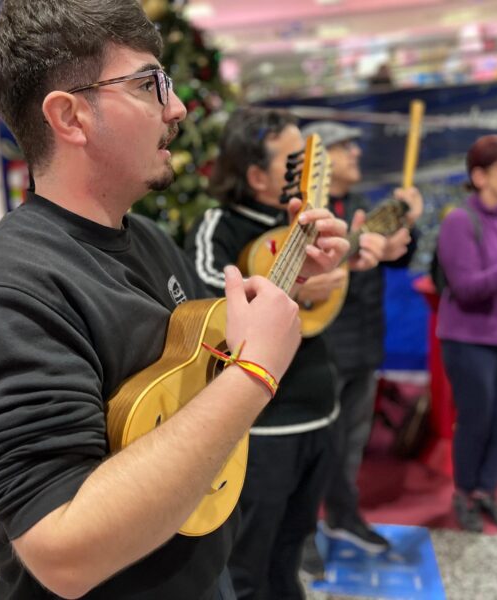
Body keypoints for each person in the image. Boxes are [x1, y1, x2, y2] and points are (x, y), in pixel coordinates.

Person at [0, 3, 351, 599]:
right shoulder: (3, 295)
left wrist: (291, 282)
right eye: (148, 84)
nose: (176, 108)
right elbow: (64, 552)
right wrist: (256, 373)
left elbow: (204, 367)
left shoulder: (147, 238)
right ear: (70, 116)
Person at [184, 108, 385, 600]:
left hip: (320, 412)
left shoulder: (305, 224)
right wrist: (293, 286)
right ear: (256, 175)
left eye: (309, 160)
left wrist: (361, 253)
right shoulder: (219, 225)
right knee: (248, 562)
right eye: (296, 161)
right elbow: (207, 298)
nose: (308, 168)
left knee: (293, 547)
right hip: (263, 428)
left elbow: (346, 266)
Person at [295, 121, 422, 567]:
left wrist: (407, 220)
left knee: (350, 445)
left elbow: (399, 255)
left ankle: (343, 515)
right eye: (344, 146)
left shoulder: (361, 208)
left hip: (365, 347)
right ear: (319, 158)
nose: (356, 153)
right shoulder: (304, 213)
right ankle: (300, 532)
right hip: (323, 351)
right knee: (313, 449)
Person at [436, 134, 497, 533]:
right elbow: (466, 288)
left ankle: (487, 491)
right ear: (479, 177)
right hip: (469, 338)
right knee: (476, 418)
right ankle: (464, 493)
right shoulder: (460, 221)